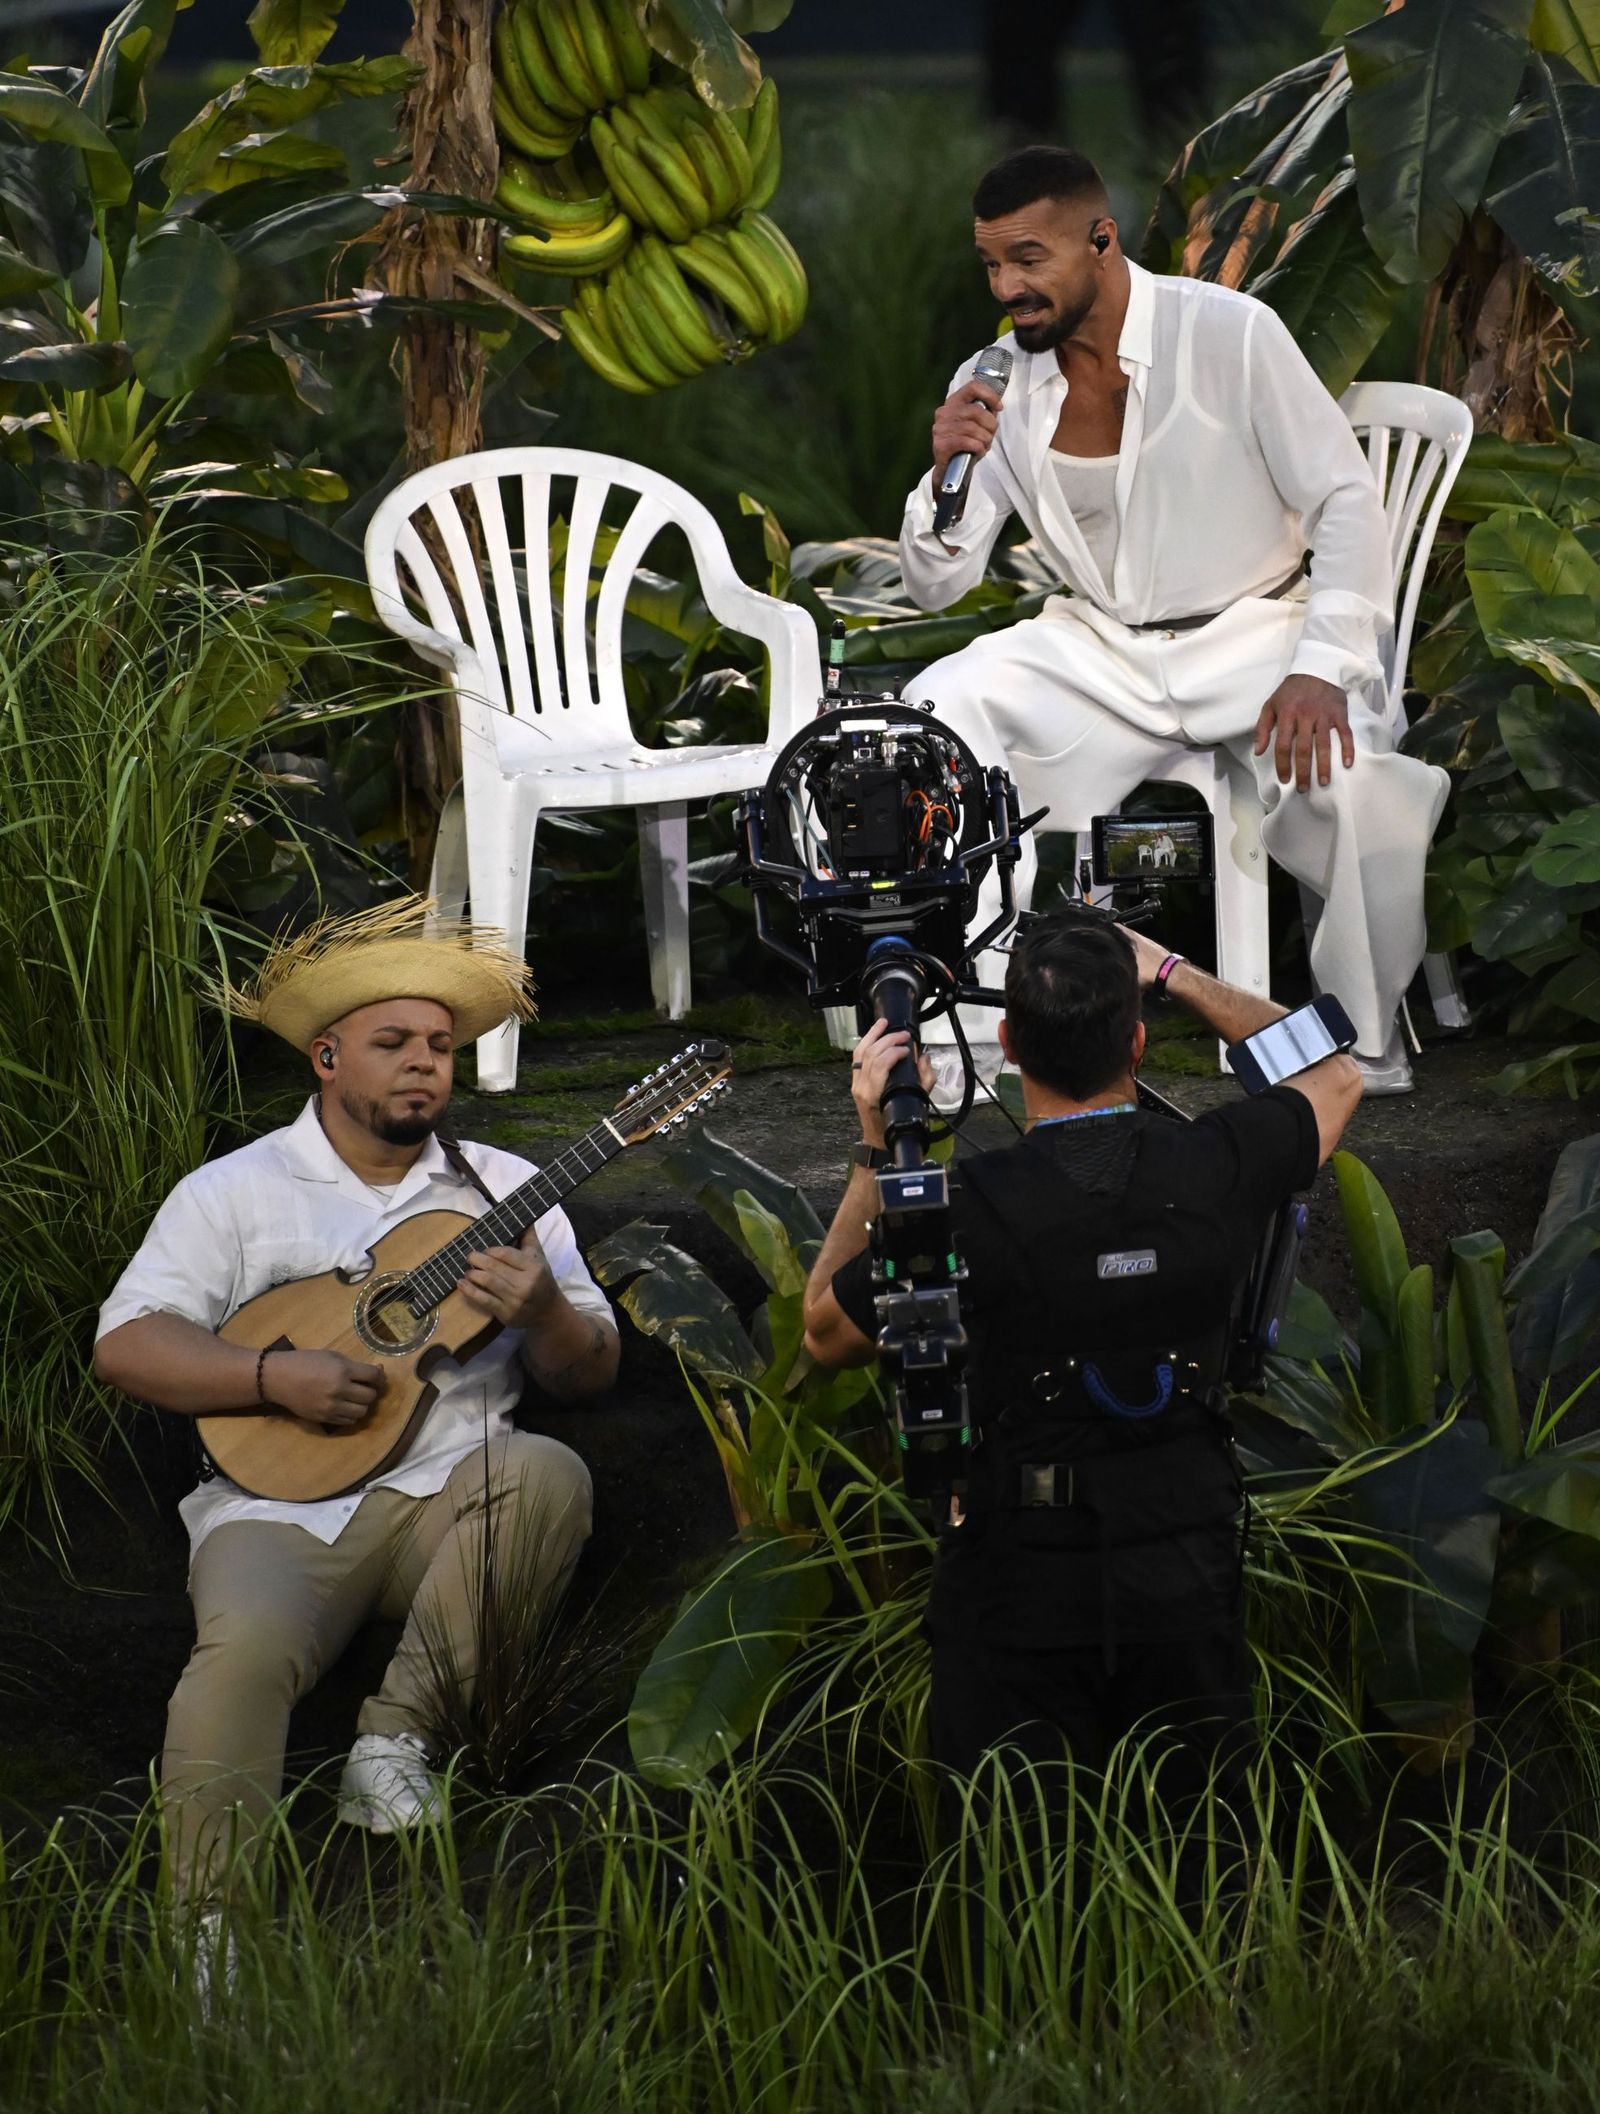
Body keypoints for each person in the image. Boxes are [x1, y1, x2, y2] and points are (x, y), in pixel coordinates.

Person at [902, 144, 1450, 1099]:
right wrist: (943, 476)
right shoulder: (996, 380)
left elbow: (1347, 504)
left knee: (1354, 785)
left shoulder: (1231, 334)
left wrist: (1322, 663)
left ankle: (1360, 1040)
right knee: (938, 710)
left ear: (1102, 241)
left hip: (1256, 636)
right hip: (1100, 648)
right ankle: (979, 1029)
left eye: (1030, 259)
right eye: (992, 264)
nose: (1007, 286)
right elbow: (938, 586)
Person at [94, 899, 618, 1898]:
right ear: (327, 1058)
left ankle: (396, 1739)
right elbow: (127, 1342)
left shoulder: (507, 1190)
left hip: (453, 1497)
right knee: (240, 1649)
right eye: (393, 1042)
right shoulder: (234, 1190)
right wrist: (268, 1374)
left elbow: (588, 1369)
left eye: (438, 1044)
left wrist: (546, 1308)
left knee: (550, 1470)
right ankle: (210, 1933)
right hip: (277, 1505)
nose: (425, 1061)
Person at [801, 914, 1361, 1813]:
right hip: (1185, 1554)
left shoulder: (963, 1211)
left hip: (1015, 1575)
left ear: (1011, 1044)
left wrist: (877, 1145)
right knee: (1199, 1859)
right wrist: (1172, 967)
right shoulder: (1219, 1163)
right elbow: (1332, 1070)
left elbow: (823, 1334)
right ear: (1137, 1040)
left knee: (1016, 1874)